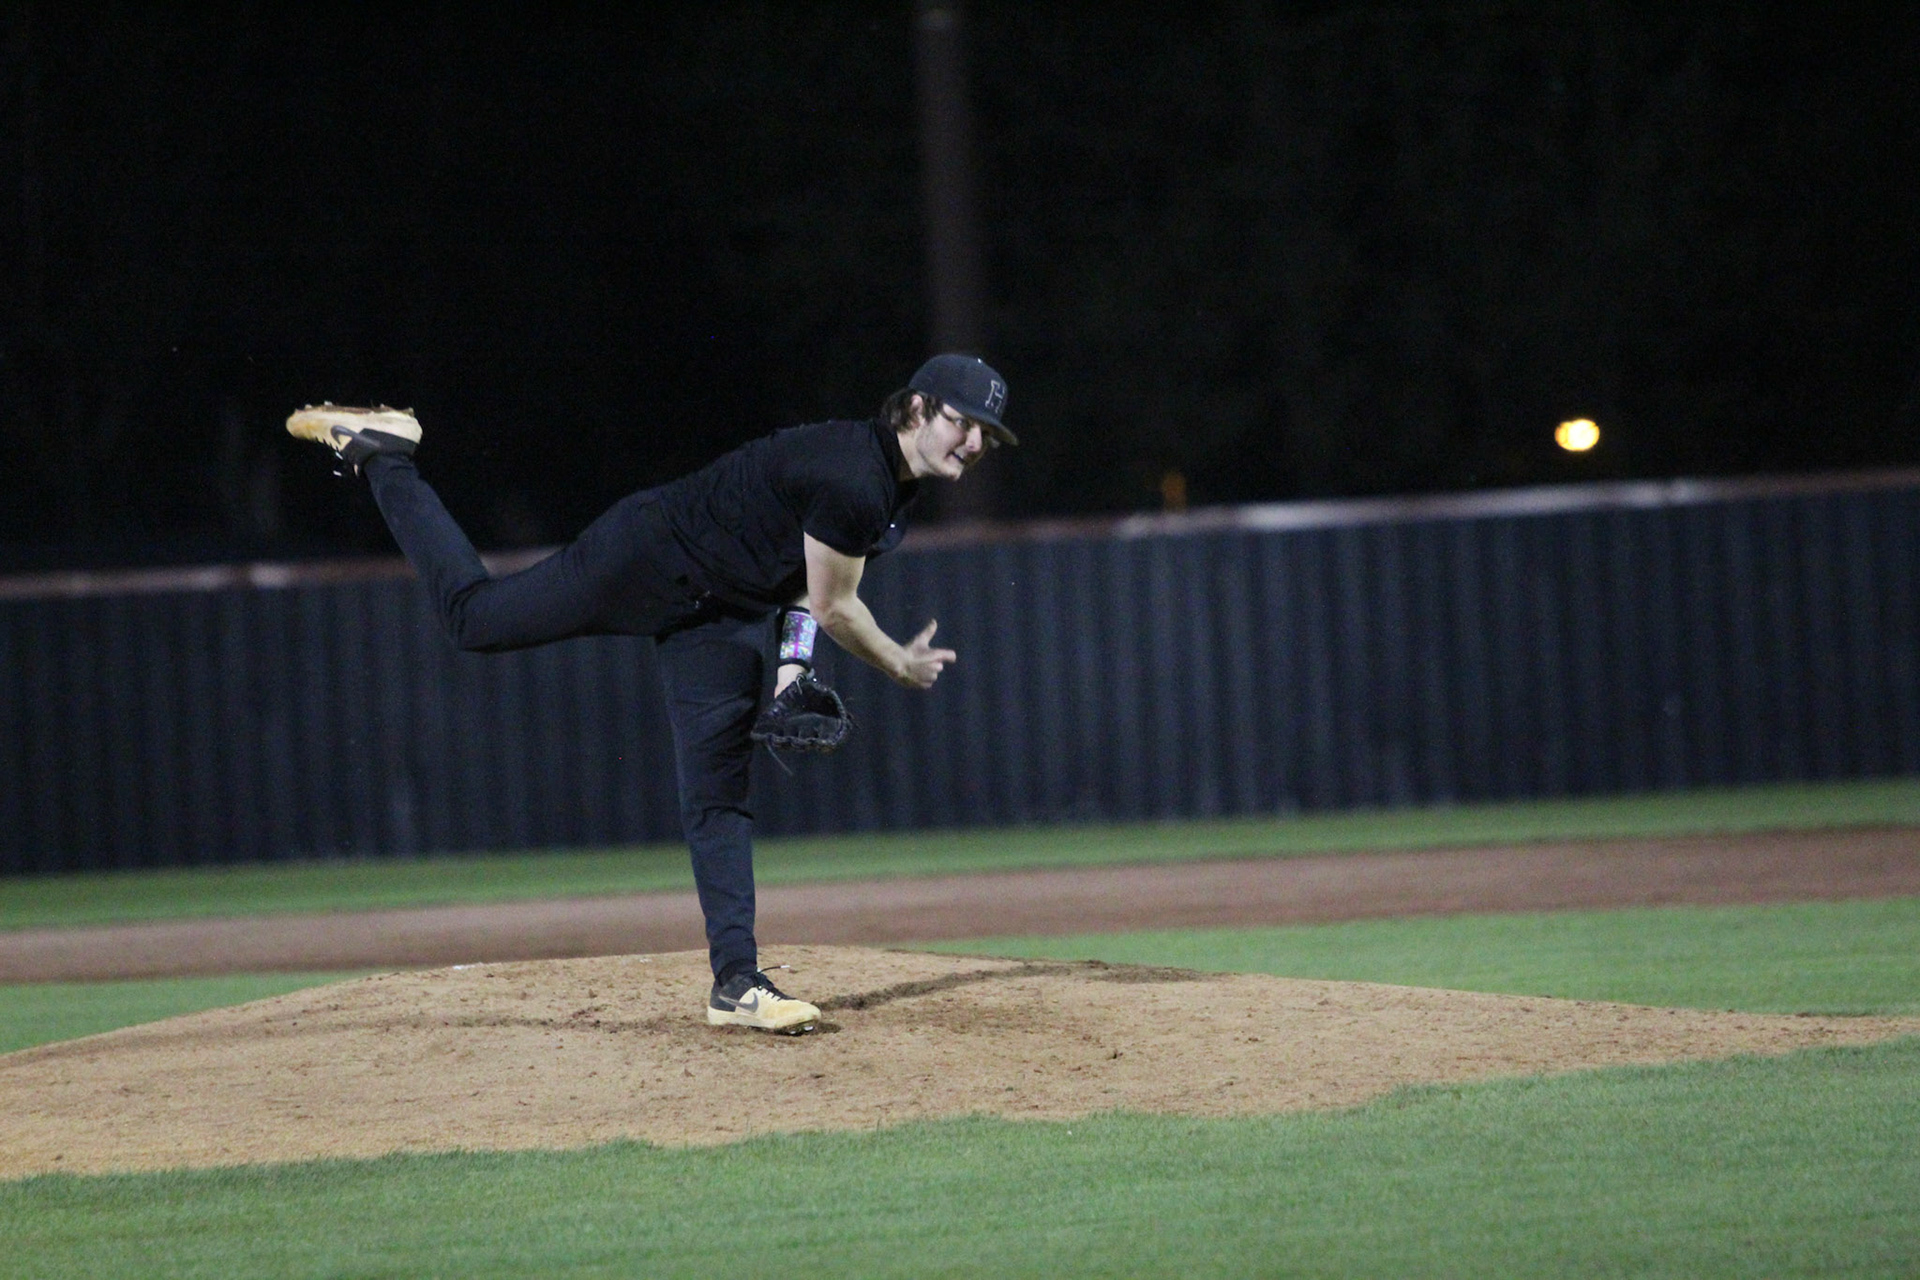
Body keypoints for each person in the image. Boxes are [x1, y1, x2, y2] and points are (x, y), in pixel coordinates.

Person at [287, 354, 1015, 1034]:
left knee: (719, 795)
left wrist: (792, 672)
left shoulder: (890, 495)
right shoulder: (855, 475)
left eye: (988, 432)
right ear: (915, 409)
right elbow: (834, 606)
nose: (976, 442)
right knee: (473, 620)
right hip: (649, 555)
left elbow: (805, 585)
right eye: (963, 421)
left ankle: (737, 984)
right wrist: (897, 663)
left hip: (723, 615)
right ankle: (388, 454)